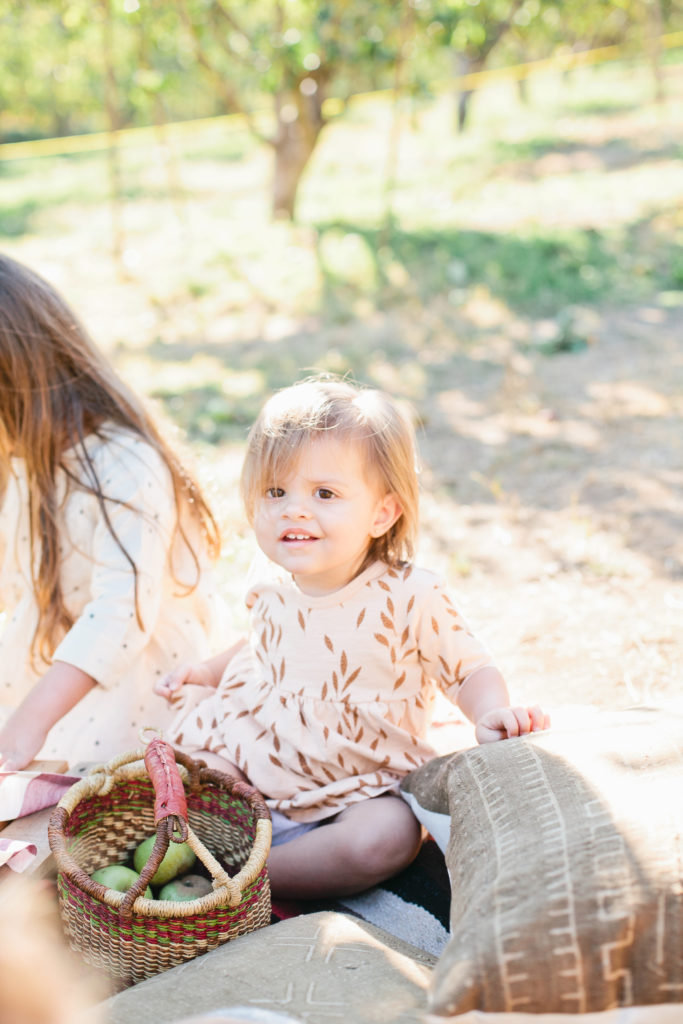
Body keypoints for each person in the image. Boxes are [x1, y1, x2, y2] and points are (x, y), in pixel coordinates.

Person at [156, 375, 549, 899]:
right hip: (259, 757)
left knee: (386, 840)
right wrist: (206, 673)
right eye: (276, 491)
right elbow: (261, 644)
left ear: (382, 512)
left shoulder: (410, 595)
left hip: (361, 783)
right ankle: (225, 849)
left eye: (324, 493)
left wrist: (488, 714)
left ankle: (252, 879)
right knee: (191, 776)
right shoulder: (272, 579)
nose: (294, 509)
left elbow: (469, 668)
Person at [0, 252, 222, 771]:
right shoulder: (26, 459)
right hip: (50, 666)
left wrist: (27, 723)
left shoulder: (123, 463)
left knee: (69, 790)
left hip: (132, 686)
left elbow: (121, 618)